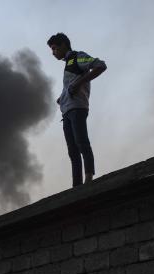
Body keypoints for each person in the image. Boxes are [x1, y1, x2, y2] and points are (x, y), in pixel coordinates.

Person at [47, 33, 107, 187]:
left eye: (54, 48)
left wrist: (79, 83)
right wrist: (62, 97)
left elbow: (100, 65)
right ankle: (76, 186)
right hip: (67, 111)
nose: (53, 52)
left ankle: (88, 179)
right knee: (72, 150)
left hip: (77, 108)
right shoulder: (68, 65)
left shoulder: (78, 57)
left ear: (63, 45)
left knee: (81, 142)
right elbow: (70, 86)